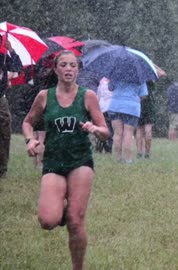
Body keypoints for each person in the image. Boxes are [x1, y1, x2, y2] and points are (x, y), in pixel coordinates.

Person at [22, 50, 109, 270]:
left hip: (80, 161)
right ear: (56, 69)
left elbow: (105, 132)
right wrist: (30, 140)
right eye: (63, 65)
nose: (68, 69)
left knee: (75, 220)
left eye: (72, 65)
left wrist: (94, 128)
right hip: (53, 162)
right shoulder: (44, 96)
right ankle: (59, 210)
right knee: (48, 221)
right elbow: (27, 123)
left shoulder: (87, 96)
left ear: (78, 69)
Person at [108, 81, 149, 163]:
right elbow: (143, 95)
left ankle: (118, 158)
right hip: (131, 107)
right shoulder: (139, 76)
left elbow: (110, 88)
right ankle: (128, 159)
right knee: (128, 133)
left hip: (115, 106)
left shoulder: (116, 74)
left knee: (117, 133)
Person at [0, 36, 23, 178]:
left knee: (4, 133)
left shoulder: (3, 57)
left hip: (1, 99)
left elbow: (17, 67)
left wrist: (11, 50)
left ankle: (2, 168)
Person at [136, 81, 156, 159]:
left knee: (139, 129)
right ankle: (147, 153)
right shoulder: (150, 79)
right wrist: (154, 67)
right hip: (149, 106)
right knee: (148, 129)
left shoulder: (137, 78)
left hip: (138, 105)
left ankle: (139, 152)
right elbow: (162, 73)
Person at [95, 77, 113, 153]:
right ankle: (108, 148)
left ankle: (101, 146)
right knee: (111, 130)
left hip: (102, 109)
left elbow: (98, 97)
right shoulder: (114, 82)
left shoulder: (101, 82)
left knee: (103, 128)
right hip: (112, 108)